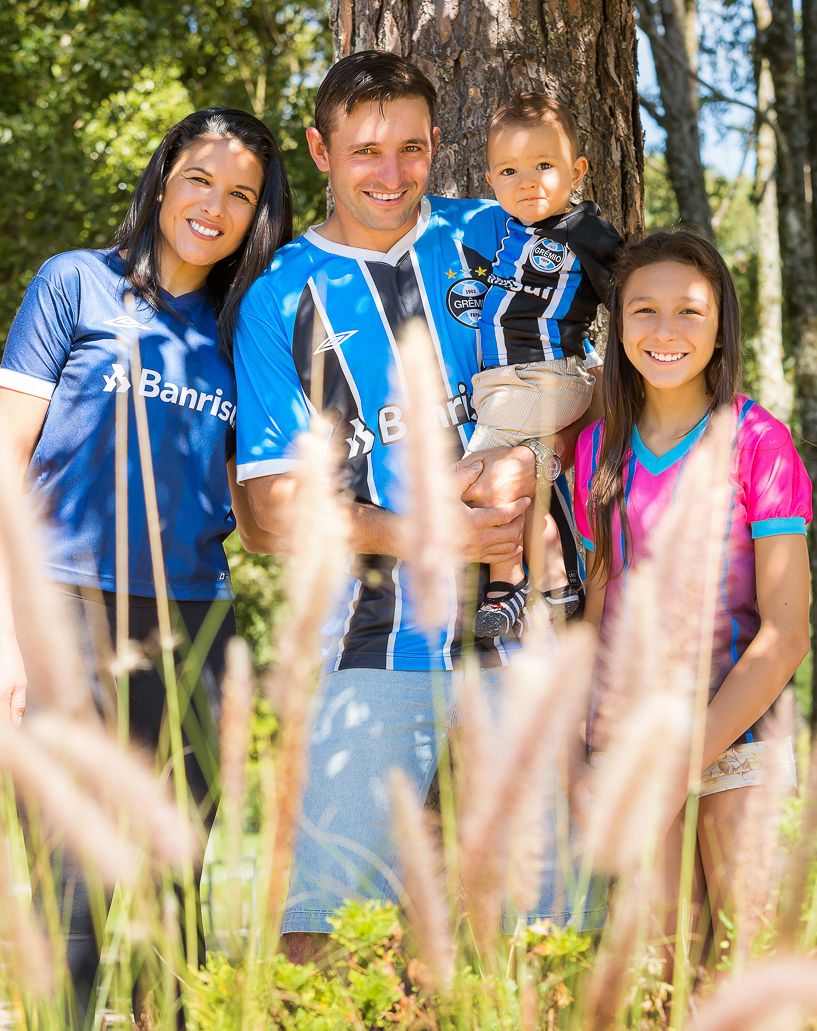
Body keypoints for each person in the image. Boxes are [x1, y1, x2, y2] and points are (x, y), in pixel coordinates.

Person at [234, 50, 607, 963]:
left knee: (547, 928)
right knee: (323, 928)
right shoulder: (282, 294)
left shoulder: (498, 231)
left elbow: (624, 362)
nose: (390, 175)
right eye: (365, 152)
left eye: (410, 149)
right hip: (376, 637)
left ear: (438, 145)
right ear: (321, 152)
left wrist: (542, 432)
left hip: (526, 638)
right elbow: (266, 511)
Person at [0, 107, 293, 1031]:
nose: (215, 205)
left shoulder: (244, 332)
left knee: (175, 890)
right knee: (70, 877)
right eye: (200, 178)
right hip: (62, 606)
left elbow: (259, 511)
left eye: (240, 194)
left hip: (194, 622)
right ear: (162, 179)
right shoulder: (74, 285)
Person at [574, 230, 811, 960]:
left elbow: (785, 635)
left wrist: (687, 763)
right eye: (644, 311)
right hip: (635, 744)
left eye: (690, 312)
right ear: (618, 326)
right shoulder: (596, 447)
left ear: (720, 327)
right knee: (658, 970)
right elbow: (597, 606)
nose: (666, 331)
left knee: (746, 968)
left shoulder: (758, 441)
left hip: (736, 733)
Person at [469, 92, 623, 638]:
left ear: (576, 171)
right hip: (510, 384)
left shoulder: (585, 230)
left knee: (477, 476)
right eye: (510, 171)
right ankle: (557, 581)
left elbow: (630, 291)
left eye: (544, 166)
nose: (528, 181)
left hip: (548, 376)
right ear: (491, 179)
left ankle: (507, 587)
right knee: (516, 477)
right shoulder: (509, 228)